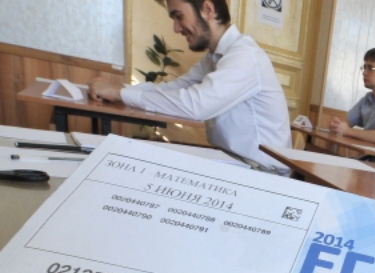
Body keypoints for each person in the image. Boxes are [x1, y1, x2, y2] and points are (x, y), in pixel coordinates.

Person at [88, 0, 292, 175]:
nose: (176, 28)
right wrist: (119, 91)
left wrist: (119, 94)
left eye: (179, 17)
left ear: (208, 9)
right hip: (234, 163)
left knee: (151, 173)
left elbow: (195, 106)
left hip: (264, 175)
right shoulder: (214, 58)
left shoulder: (245, 56)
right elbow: (173, 88)